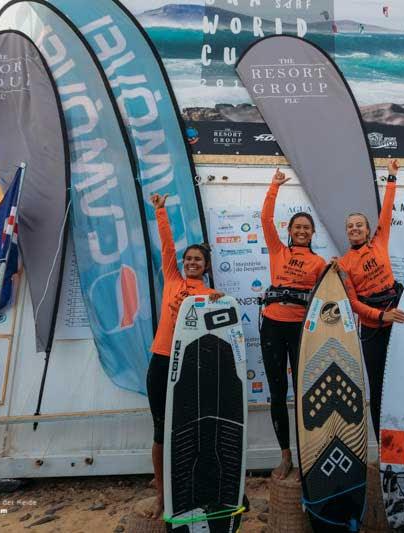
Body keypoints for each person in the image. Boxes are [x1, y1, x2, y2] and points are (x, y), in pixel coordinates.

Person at [145, 192, 223, 519]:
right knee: (161, 429)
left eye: (198, 260)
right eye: (188, 259)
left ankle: (188, 484)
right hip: (161, 361)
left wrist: (220, 302)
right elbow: (166, 246)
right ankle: (162, 494)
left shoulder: (211, 295)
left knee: (189, 429)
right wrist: (161, 212)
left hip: (190, 365)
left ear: (206, 267)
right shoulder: (173, 279)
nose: (191, 263)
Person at [333, 159, 404, 441]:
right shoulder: (344, 263)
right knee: (378, 388)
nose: (354, 229)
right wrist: (380, 317)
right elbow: (352, 304)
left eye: (359, 225)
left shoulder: (379, 241)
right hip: (374, 329)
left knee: (401, 383)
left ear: (367, 230)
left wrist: (391, 177)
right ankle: (384, 445)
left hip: (398, 321)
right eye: (350, 226)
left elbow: (387, 210)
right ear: (347, 232)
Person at [260, 169, 327, 480]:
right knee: (277, 392)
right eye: (297, 227)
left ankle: (307, 455)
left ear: (313, 234)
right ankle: (285, 456)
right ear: (290, 230)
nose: (302, 231)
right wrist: (274, 186)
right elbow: (264, 219)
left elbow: (329, 297)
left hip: (301, 330)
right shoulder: (278, 251)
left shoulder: (319, 263)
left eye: (307, 228)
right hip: (272, 326)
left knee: (304, 392)